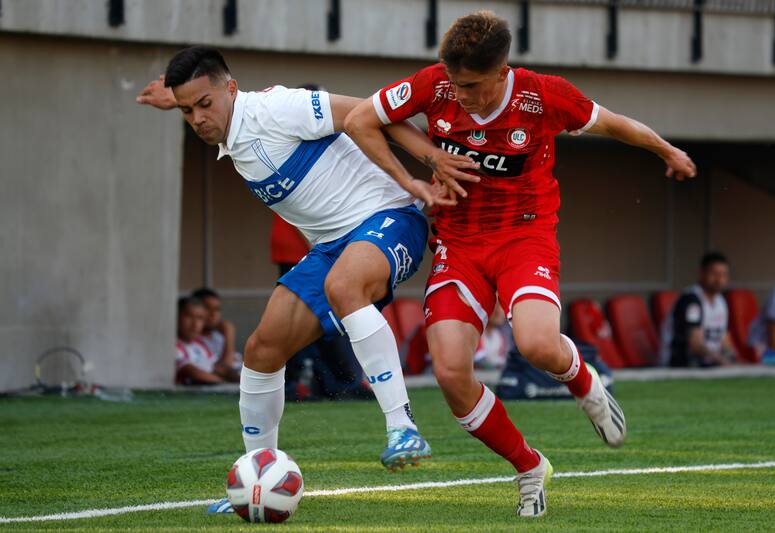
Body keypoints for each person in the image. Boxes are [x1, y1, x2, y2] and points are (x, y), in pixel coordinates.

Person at [345, 10, 697, 517]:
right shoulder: (435, 85)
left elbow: (614, 123)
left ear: (502, 71)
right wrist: (428, 161)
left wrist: (667, 150)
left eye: (470, 85)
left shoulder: (543, 95)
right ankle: (530, 467)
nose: (458, 94)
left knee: (535, 344)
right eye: (452, 81)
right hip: (458, 244)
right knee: (449, 372)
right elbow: (363, 118)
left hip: (524, 237)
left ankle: (584, 384)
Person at [137, 47, 440, 512]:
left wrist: (431, 162)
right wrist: (176, 98)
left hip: (390, 217)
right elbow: (197, 101)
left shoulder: (278, 107)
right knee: (261, 350)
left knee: (344, 288)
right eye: (186, 110)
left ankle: (403, 427)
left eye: (205, 104)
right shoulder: (228, 134)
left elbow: (369, 113)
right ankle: (257, 472)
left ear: (232, 88)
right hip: (331, 247)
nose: (197, 118)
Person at [660, 252, 738, 367]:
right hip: (681, 362)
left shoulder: (721, 301)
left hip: (710, 361)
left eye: (723, 275)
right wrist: (721, 361)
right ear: (702, 273)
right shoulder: (691, 300)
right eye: (714, 274)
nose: (719, 280)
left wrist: (731, 357)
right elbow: (694, 345)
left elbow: (725, 339)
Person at [175, 296, 234, 385]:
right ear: (176, 317)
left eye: (200, 318)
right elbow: (196, 374)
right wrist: (227, 385)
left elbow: (221, 369)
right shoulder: (173, 346)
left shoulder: (200, 344)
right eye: (189, 316)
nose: (195, 323)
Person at [192, 287, 241, 380]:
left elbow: (238, 363)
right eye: (207, 308)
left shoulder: (218, 337)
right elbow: (226, 368)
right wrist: (229, 333)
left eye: (217, 309)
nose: (213, 314)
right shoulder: (191, 341)